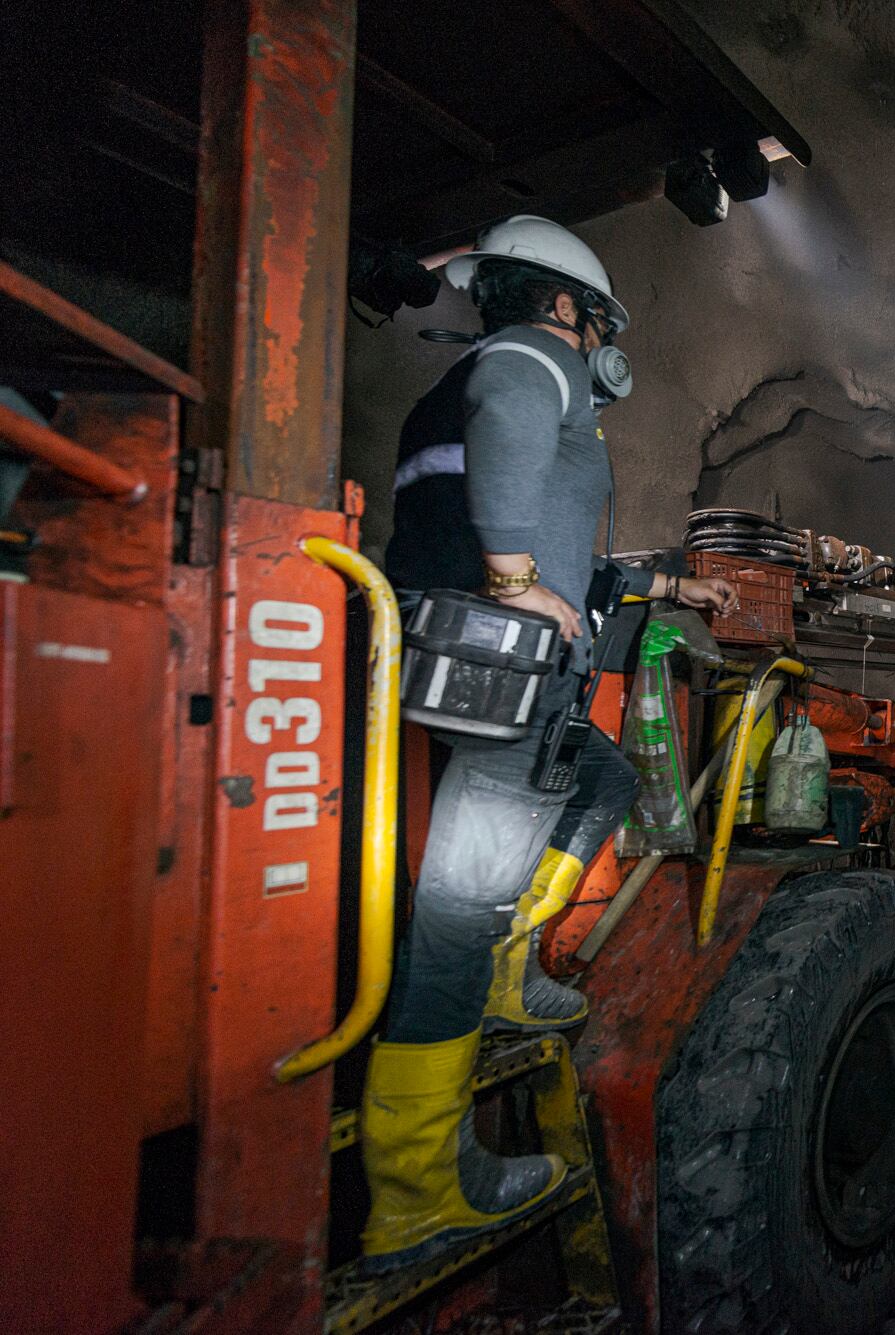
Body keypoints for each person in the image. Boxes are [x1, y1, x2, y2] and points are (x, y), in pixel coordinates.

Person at [364, 215, 737, 1274]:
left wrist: (667, 584)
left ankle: (504, 968)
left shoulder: (487, 366)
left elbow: (572, 551)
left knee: (605, 776)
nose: (602, 337)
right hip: (495, 662)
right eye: (600, 318)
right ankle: (419, 1189)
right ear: (569, 306)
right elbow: (511, 422)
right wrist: (517, 578)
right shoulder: (532, 359)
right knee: (452, 911)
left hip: (478, 661)